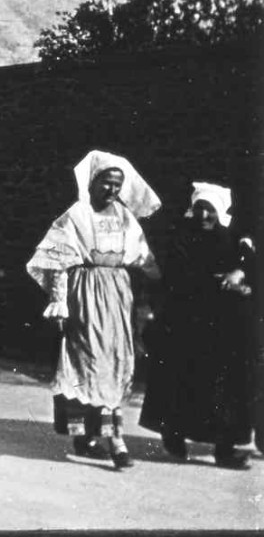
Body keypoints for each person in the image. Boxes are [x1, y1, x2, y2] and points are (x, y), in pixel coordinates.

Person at [26, 150, 161, 470]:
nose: (111, 190)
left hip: (118, 296)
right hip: (85, 294)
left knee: (117, 362)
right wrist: (59, 301)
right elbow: (56, 261)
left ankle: (103, 434)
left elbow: (143, 259)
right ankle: (106, 439)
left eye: (117, 185)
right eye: (105, 183)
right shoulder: (76, 216)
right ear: (91, 182)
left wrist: (152, 287)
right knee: (88, 363)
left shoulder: (126, 218)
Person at [139, 182, 255, 469]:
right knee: (182, 378)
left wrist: (240, 274)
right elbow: (178, 275)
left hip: (224, 325)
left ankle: (224, 448)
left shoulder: (233, 239)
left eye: (211, 210)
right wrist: (221, 281)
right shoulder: (181, 237)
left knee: (224, 387)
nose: (205, 215)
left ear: (221, 212)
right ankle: (173, 435)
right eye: (200, 208)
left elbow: (249, 266)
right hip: (186, 320)